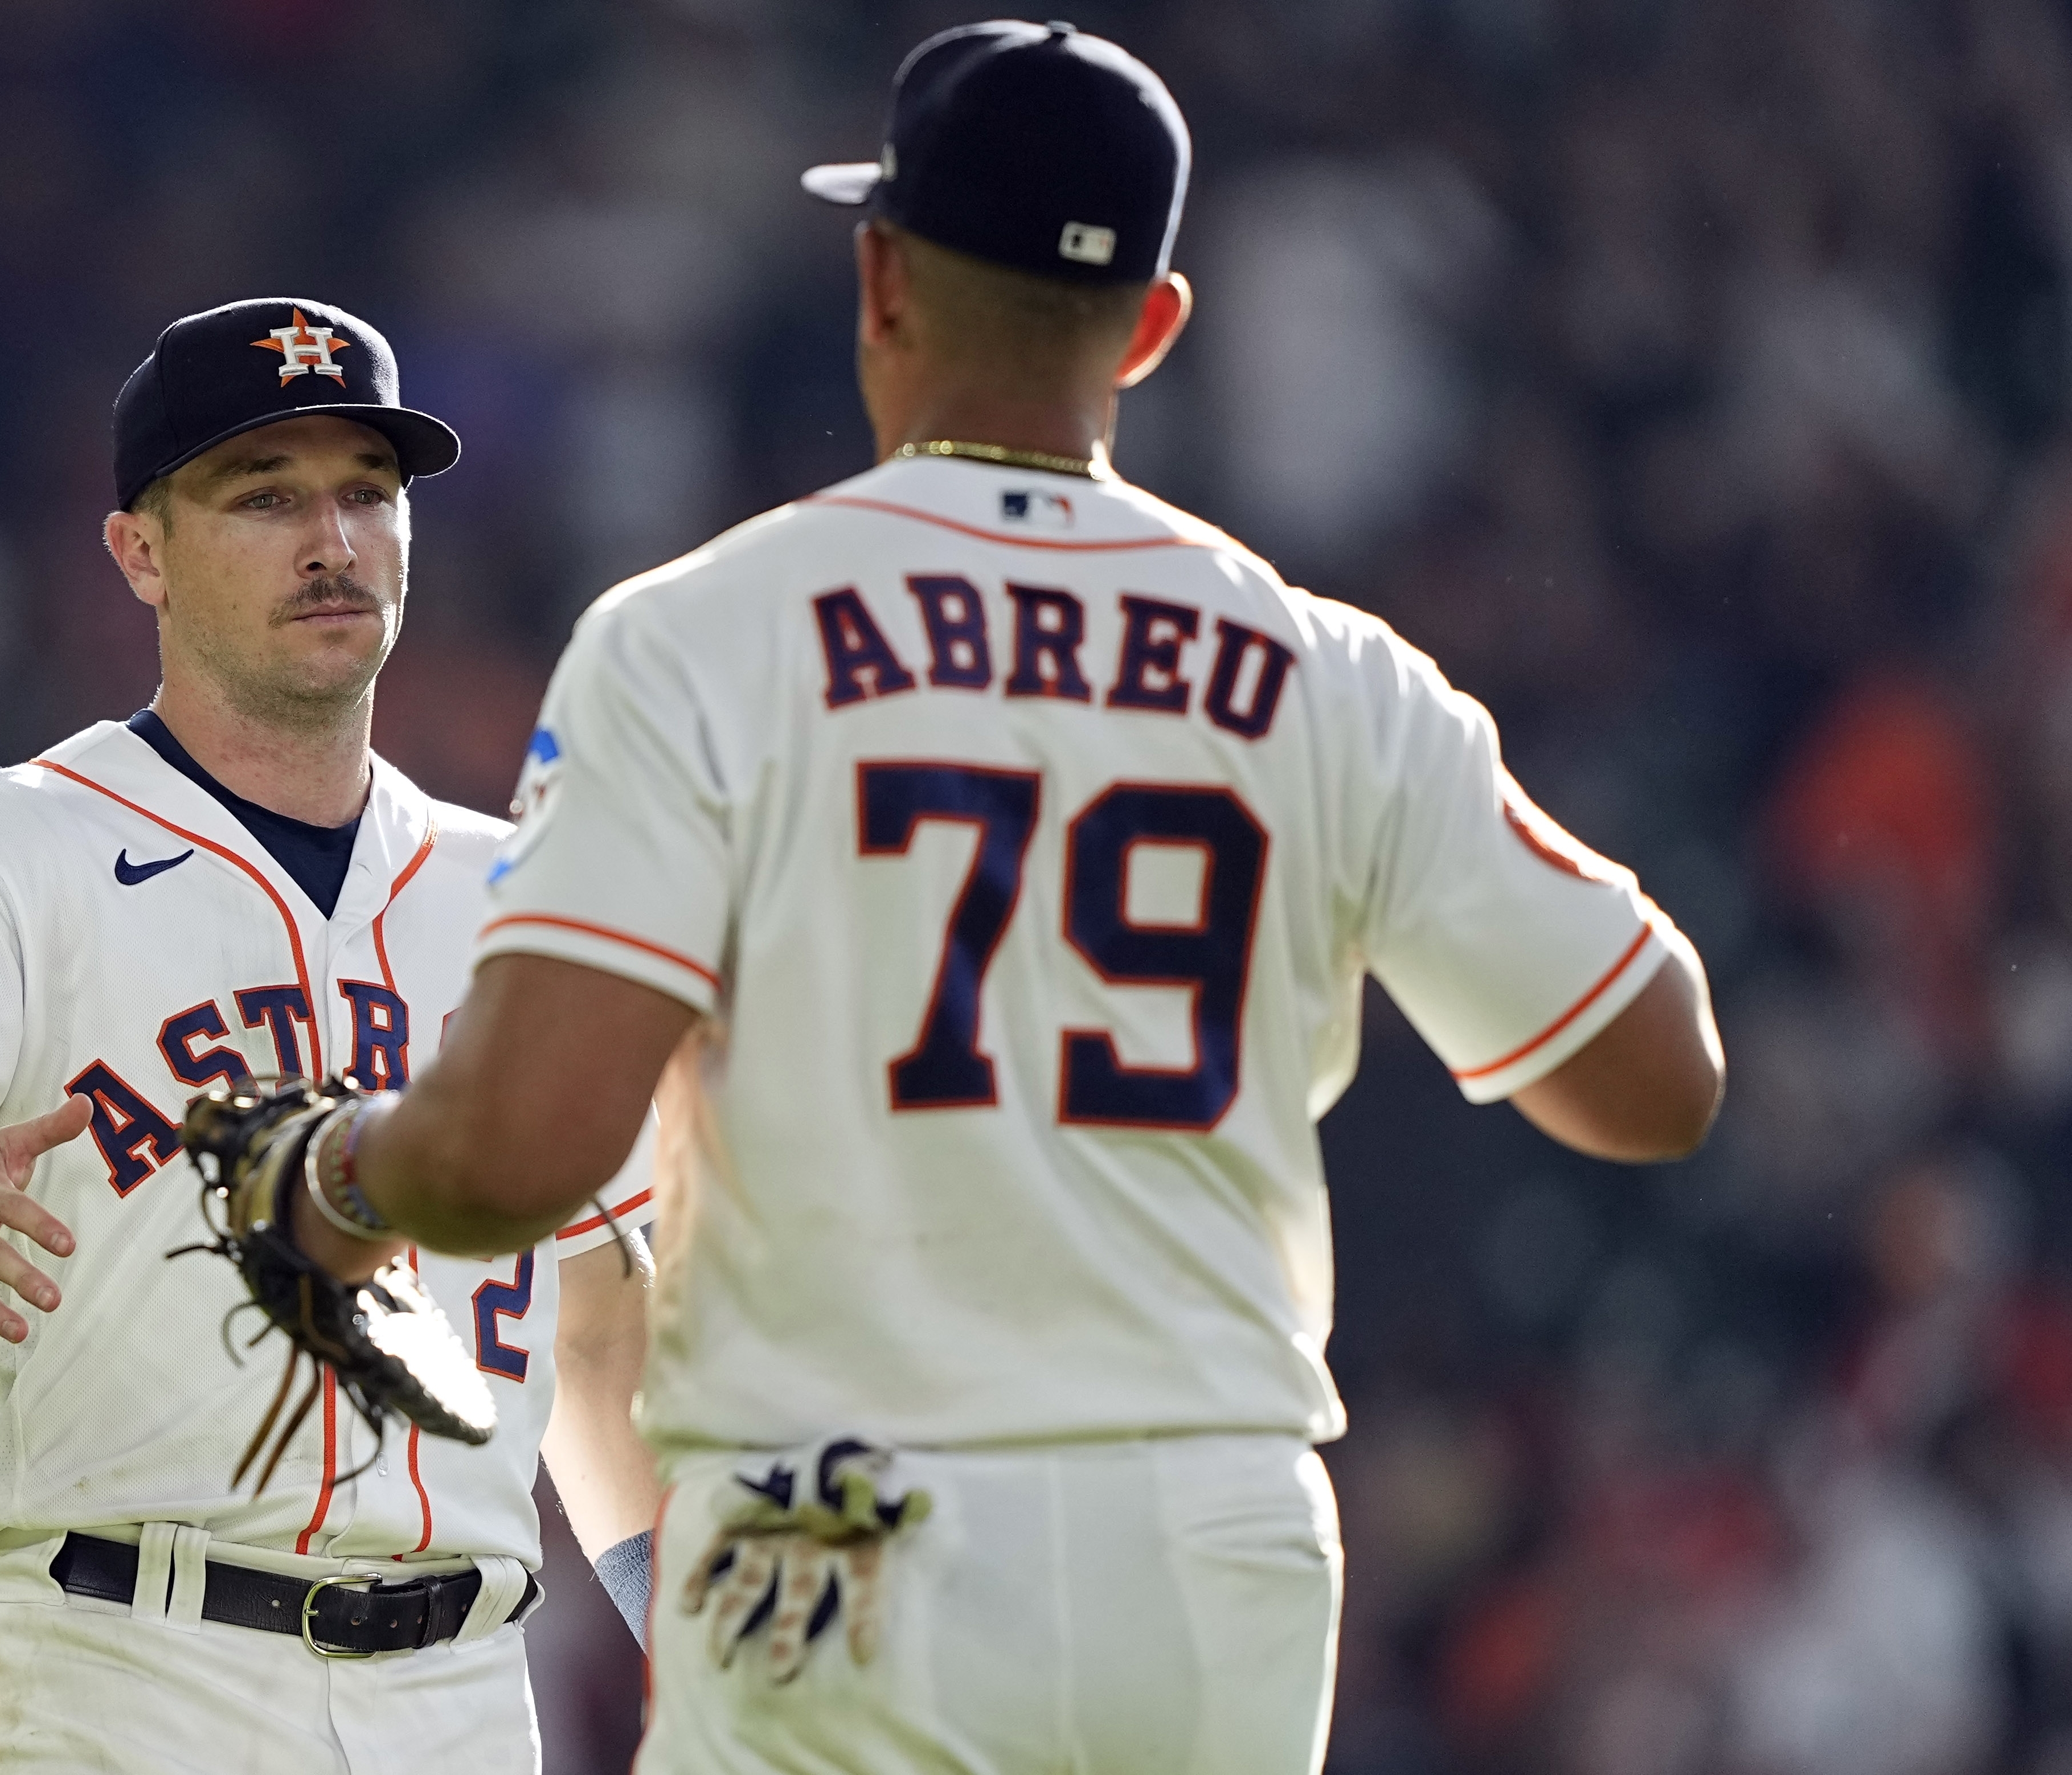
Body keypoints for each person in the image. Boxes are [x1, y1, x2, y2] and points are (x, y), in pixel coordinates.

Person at [272, 22, 1726, 1775]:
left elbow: (517, 1159)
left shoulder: (703, 639)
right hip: (1212, 1550)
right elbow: (1659, 1076)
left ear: (879, 279)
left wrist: (335, 1175)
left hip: (846, 1533)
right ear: (1158, 326)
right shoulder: (1332, 674)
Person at [0, 297, 660, 1775]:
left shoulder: (525, 897)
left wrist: (700, 1660)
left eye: (367, 493)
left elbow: (608, 1325)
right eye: (264, 497)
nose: (333, 540)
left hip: (462, 1694)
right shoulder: (10, 848)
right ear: (139, 550)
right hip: (131, 1668)